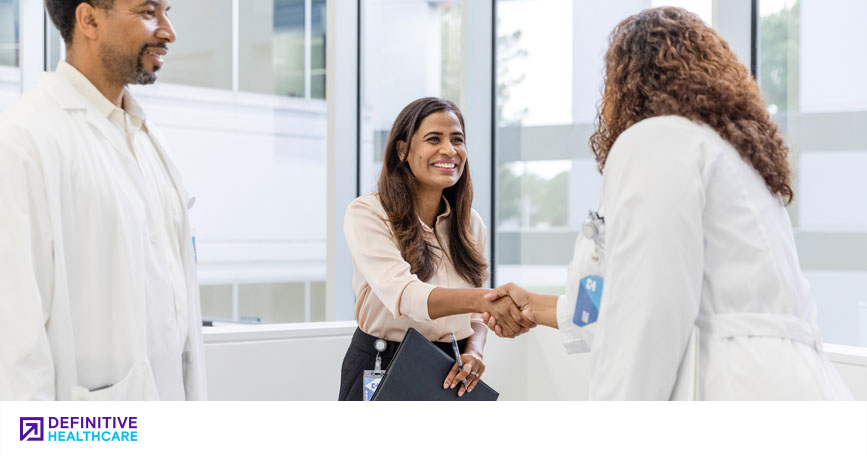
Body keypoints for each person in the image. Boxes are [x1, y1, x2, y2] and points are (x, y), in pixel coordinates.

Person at [482, 7, 852, 400]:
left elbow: (647, 314)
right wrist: (534, 306)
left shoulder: (659, 141)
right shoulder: (738, 160)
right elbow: (600, 304)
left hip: (738, 389)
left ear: (625, 82)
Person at [0, 0, 206, 400]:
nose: (168, 31)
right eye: (148, 12)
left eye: (167, 11)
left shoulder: (147, 138)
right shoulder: (23, 142)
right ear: (89, 19)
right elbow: (14, 344)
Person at [339, 97, 532, 400]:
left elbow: (475, 316)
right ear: (403, 150)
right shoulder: (368, 213)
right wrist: (485, 300)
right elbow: (404, 295)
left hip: (449, 369)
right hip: (381, 362)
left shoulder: (470, 224)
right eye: (434, 139)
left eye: (457, 139)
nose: (449, 150)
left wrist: (476, 351)